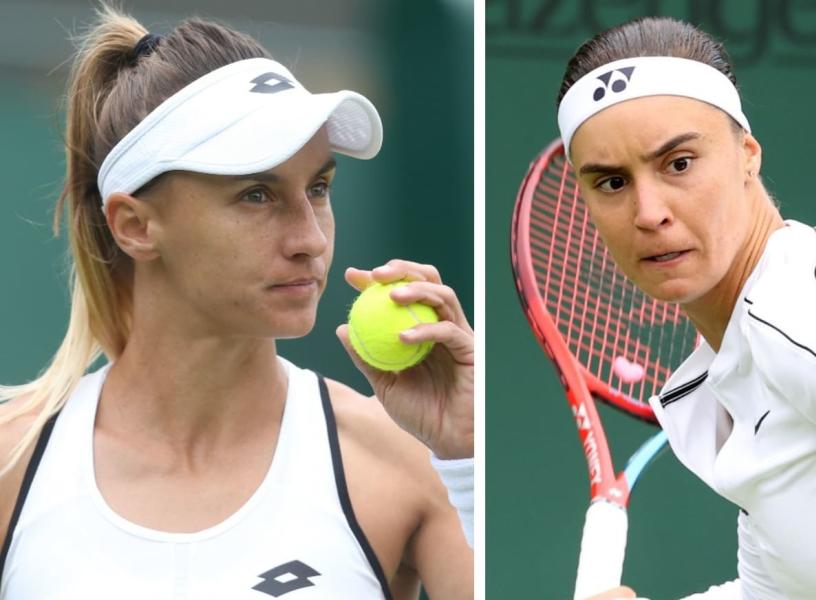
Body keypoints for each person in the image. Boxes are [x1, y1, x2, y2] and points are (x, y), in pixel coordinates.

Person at [0, 5, 473, 600]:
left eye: (318, 188)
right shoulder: (10, 461)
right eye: (256, 195)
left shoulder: (411, 462)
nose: (310, 239)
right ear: (135, 225)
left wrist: (468, 462)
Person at [556, 16, 816, 600]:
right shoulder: (732, 362)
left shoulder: (800, 319)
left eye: (679, 163)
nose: (649, 212)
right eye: (612, 183)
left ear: (747, 154)